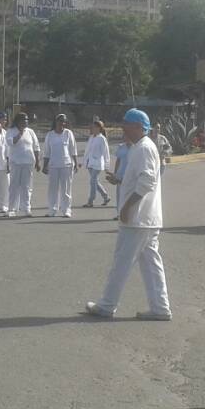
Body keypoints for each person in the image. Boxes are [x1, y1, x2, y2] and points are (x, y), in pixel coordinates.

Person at [86, 109, 170, 321]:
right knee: (151, 264)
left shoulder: (143, 148)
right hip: (145, 219)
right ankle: (160, 308)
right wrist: (121, 182)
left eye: (126, 124)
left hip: (138, 219)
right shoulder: (138, 148)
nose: (123, 127)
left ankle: (107, 305)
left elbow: (147, 181)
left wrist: (127, 207)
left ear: (138, 127)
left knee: (121, 262)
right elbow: (137, 179)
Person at [42, 113, 78, 218]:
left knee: (66, 189)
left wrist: (75, 163)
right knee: (53, 189)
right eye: (60, 121)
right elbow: (47, 152)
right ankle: (52, 210)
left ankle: (66, 209)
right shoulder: (50, 135)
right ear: (56, 122)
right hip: (53, 165)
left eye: (64, 121)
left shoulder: (68, 133)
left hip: (66, 164)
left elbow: (73, 149)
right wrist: (45, 165)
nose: (62, 123)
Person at [6, 112, 41, 218]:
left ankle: (26, 208)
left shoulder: (30, 132)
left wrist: (38, 162)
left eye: (26, 120)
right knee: (14, 186)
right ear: (17, 121)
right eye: (23, 120)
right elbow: (11, 143)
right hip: (16, 163)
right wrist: (20, 133)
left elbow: (36, 147)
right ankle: (11, 209)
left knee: (26, 186)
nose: (25, 122)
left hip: (28, 162)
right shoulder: (11, 131)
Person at [83, 120, 111, 208]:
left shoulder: (102, 138)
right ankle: (106, 197)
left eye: (94, 127)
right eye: (92, 127)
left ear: (99, 128)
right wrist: (83, 161)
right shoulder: (91, 137)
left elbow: (106, 152)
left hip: (98, 163)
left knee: (92, 181)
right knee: (95, 182)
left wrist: (107, 165)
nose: (92, 128)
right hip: (90, 163)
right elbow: (87, 150)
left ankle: (90, 201)